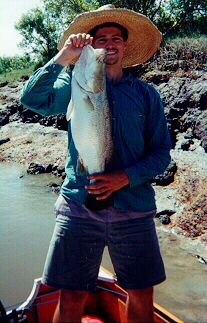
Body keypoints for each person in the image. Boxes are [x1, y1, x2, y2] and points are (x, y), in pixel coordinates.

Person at [20, 4, 171, 322]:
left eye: (116, 37)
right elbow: (32, 99)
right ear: (91, 45)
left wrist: (125, 177)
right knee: (71, 294)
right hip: (78, 206)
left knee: (142, 292)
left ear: (125, 45)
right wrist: (64, 56)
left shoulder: (147, 95)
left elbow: (160, 155)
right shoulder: (73, 87)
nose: (109, 43)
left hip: (134, 209)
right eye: (100, 38)